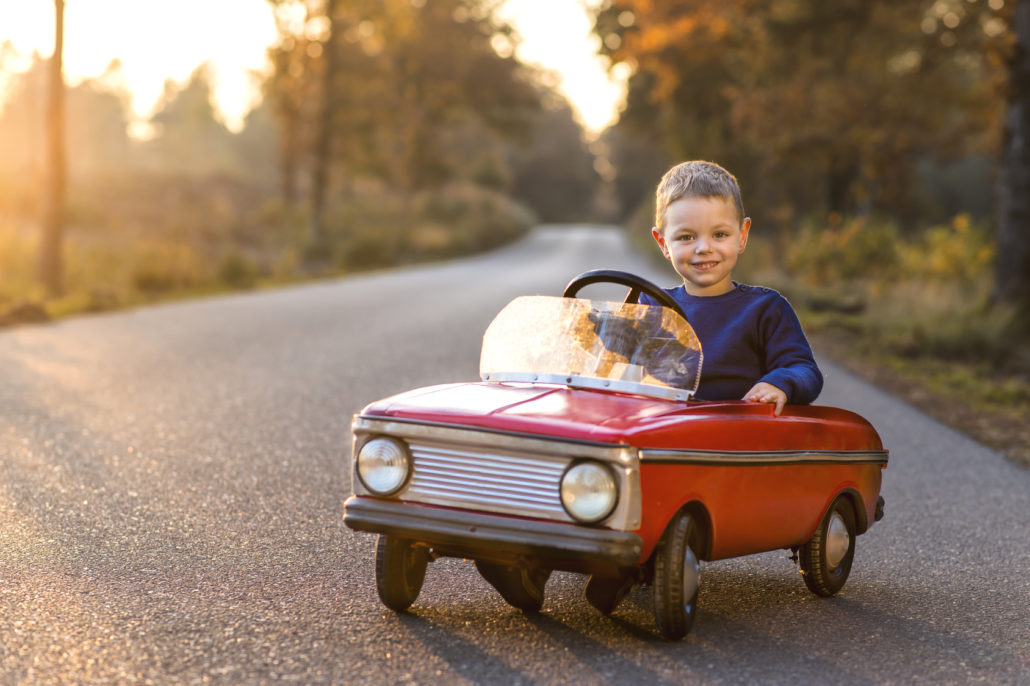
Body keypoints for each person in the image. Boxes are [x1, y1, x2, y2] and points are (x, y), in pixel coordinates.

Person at [641, 160, 823, 415]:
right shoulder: (652, 307)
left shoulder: (764, 309)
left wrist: (779, 384)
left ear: (742, 235)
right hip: (665, 437)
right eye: (686, 237)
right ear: (663, 243)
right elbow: (621, 371)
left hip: (740, 440)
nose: (704, 248)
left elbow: (804, 370)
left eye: (719, 235)